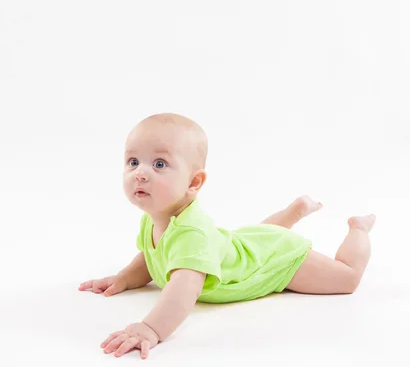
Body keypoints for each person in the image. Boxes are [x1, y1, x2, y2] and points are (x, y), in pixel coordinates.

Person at [78, 112, 376, 359]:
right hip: (243, 243)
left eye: (159, 164)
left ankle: (358, 229)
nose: (140, 173)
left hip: (277, 262)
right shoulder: (154, 219)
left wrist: (151, 328)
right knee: (256, 239)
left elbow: (184, 290)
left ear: (194, 182)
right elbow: (150, 256)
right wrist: (124, 278)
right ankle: (293, 212)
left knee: (346, 278)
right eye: (133, 162)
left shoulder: (193, 234)